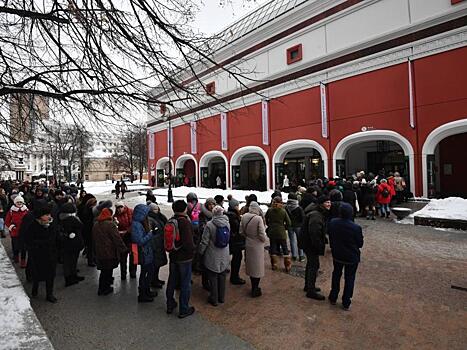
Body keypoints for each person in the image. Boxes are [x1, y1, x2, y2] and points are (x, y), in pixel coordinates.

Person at [328, 203, 364, 311]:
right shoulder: (355, 227)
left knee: (336, 274)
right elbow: (360, 244)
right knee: (349, 278)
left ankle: (333, 296)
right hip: (351, 257)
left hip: (337, 254)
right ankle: (346, 300)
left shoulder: (333, 222)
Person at [165, 200, 196, 318]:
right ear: (184, 209)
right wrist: (194, 249)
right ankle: (184, 308)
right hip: (184, 258)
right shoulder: (184, 222)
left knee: (172, 281)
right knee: (185, 283)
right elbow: (188, 243)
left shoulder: (171, 220)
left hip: (173, 256)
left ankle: (170, 304)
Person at [24, 200, 58, 303]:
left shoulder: (51, 225)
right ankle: (35, 288)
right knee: (37, 274)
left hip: (51, 255)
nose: (49, 216)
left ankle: (49, 294)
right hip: (38, 255)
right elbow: (29, 241)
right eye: (46, 215)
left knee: (50, 275)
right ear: (40, 216)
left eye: (49, 214)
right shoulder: (33, 226)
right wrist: (43, 243)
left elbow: (55, 238)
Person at [301, 195, 331, 301]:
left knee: (311, 265)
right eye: (327, 202)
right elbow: (314, 232)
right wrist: (318, 245)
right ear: (321, 204)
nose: (329, 204)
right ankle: (311, 291)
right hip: (311, 245)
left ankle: (308, 286)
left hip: (307, 243)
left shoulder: (317, 212)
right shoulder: (316, 215)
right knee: (314, 266)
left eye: (329, 202)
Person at [199, 205, 230, 306]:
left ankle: (214, 298)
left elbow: (205, 241)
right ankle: (222, 297)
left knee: (213, 276)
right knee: (222, 276)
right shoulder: (227, 223)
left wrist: (201, 252)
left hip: (212, 253)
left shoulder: (209, 225)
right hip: (224, 253)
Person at [93, 208, 127, 296]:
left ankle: (102, 288)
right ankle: (105, 288)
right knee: (108, 271)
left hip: (99, 251)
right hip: (109, 251)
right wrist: (123, 249)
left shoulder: (96, 224)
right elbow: (117, 239)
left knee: (103, 271)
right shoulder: (110, 225)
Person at [132, 204, 157, 302]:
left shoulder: (140, 222)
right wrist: (151, 234)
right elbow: (139, 241)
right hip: (143, 253)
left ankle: (146, 290)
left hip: (147, 252)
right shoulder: (136, 225)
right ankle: (142, 294)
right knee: (145, 273)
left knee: (149, 272)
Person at [240, 201, 266, 297]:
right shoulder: (258, 218)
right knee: (257, 267)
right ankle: (255, 288)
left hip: (248, 243)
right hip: (257, 245)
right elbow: (262, 234)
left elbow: (241, 231)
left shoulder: (244, 216)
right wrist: (263, 240)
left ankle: (253, 285)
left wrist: (248, 237)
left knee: (251, 266)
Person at [58, 202, 85, 287]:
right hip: (73, 244)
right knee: (71, 262)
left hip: (67, 244)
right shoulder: (72, 219)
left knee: (69, 262)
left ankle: (72, 277)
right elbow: (81, 226)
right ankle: (70, 278)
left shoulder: (61, 218)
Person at [265, 196, 292, 272]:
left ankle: (274, 264)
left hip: (272, 232)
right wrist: (284, 227)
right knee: (284, 248)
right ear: (281, 202)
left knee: (273, 247)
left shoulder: (270, 210)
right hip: (281, 232)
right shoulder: (283, 211)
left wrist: (269, 225)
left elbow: (265, 218)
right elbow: (289, 222)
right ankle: (287, 266)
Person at [147, 203, 168, 289]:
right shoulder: (150, 220)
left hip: (160, 244)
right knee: (154, 265)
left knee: (158, 264)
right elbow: (151, 234)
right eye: (155, 209)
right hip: (155, 246)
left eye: (157, 209)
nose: (157, 211)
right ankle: (153, 281)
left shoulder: (158, 217)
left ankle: (156, 279)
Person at [225, 197, 246, 285]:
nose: (238, 207)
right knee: (237, 259)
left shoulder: (228, 214)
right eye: (237, 205)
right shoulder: (233, 216)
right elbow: (237, 228)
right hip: (235, 241)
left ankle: (234, 276)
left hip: (232, 241)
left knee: (236, 258)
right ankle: (235, 277)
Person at [114, 201, 136, 279]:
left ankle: (133, 272)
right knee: (123, 257)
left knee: (134, 256)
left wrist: (127, 231)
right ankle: (123, 273)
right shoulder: (115, 216)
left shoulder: (131, 212)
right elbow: (115, 227)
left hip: (132, 237)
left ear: (124, 207)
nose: (119, 209)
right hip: (122, 239)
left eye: (121, 207)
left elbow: (134, 223)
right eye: (117, 208)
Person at [5, 195, 29, 266]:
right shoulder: (11, 211)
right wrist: (11, 226)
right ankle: (16, 257)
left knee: (24, 248)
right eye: (17, 202)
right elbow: (7, 221)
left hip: (24, 232)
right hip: (15, 232)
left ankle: (23, 261)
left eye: (20, 202)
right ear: (15, 203)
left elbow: (29, 219)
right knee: (16, 246)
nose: (19, 203)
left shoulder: (26, 210)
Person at [285, 193, 305, 262]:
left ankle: (294, 255)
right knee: (300, 240)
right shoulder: (298, 207)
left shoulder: (286, 207)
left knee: (292, 240)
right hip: (298, 226)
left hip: (290, 226)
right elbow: (303, 217)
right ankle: (301, 255)